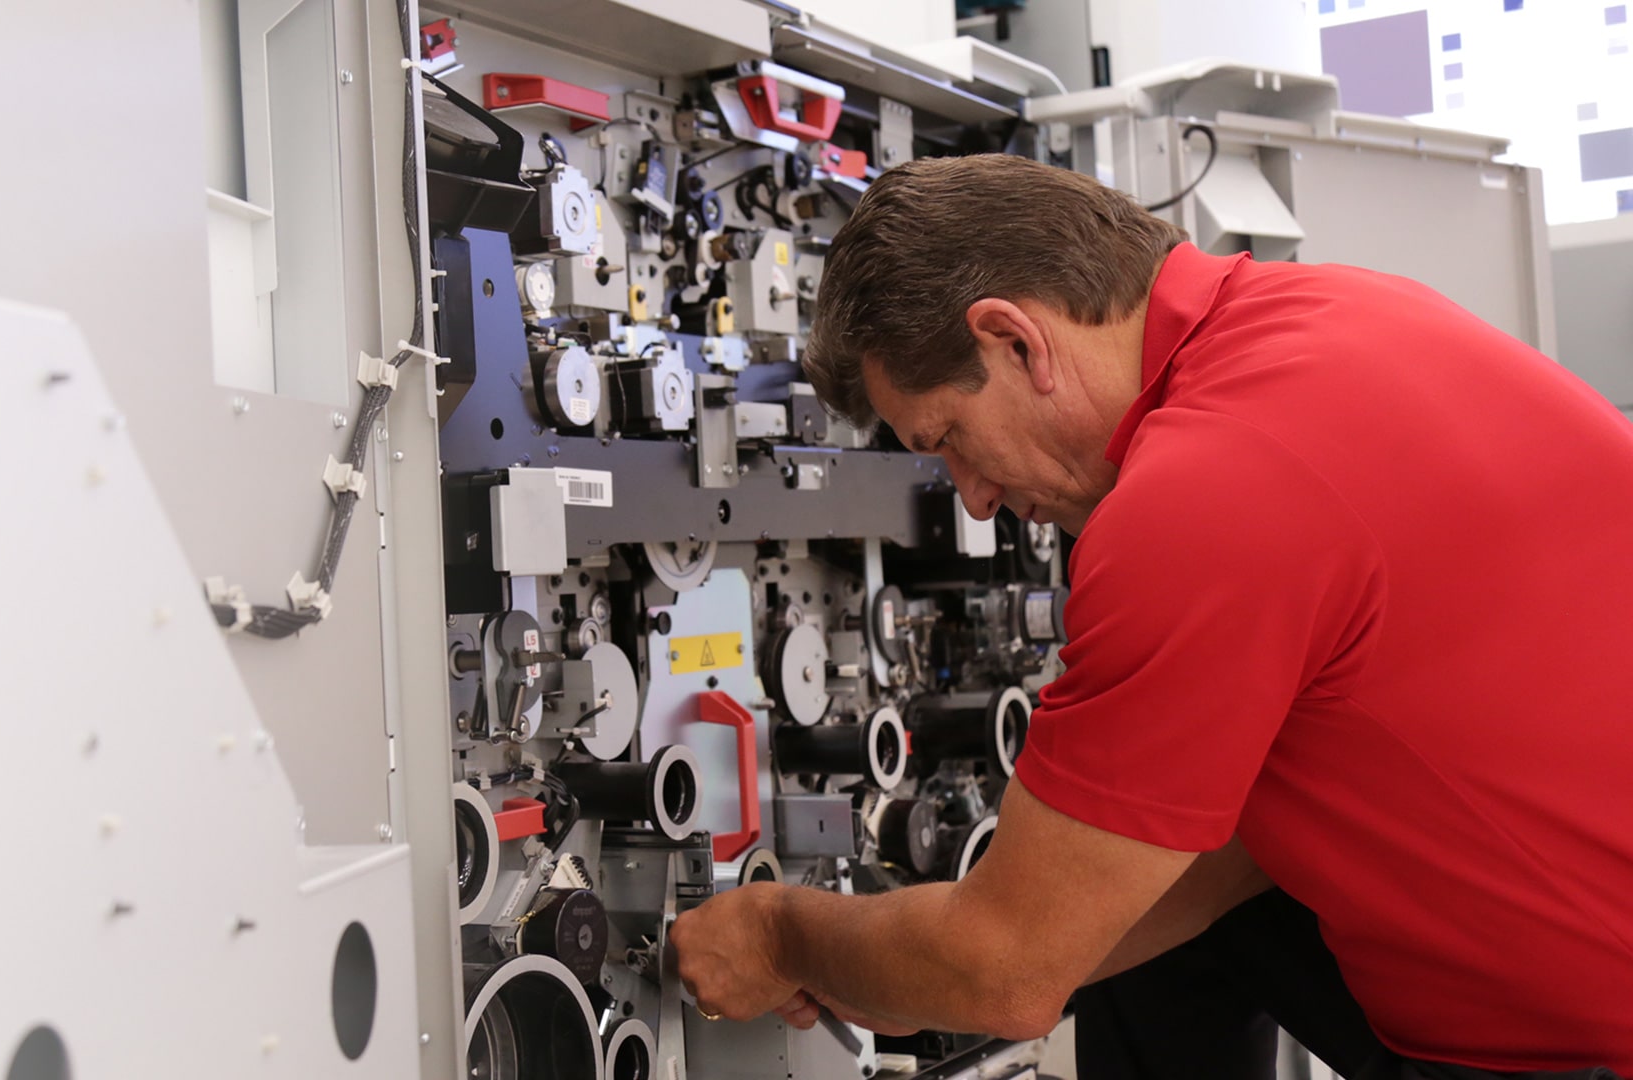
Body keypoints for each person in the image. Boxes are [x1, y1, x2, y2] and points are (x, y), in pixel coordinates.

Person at [668, 154, 1633, 1079]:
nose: (973, 499)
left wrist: (782, 936)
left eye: (950, 438)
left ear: (1015, 341)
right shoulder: (1328, 315)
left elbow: (1007, 972)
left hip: (1572, 1050)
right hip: (1572, 952)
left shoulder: (1200, 496)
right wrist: (926, 966)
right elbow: (1191, 871)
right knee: (1118, 890)